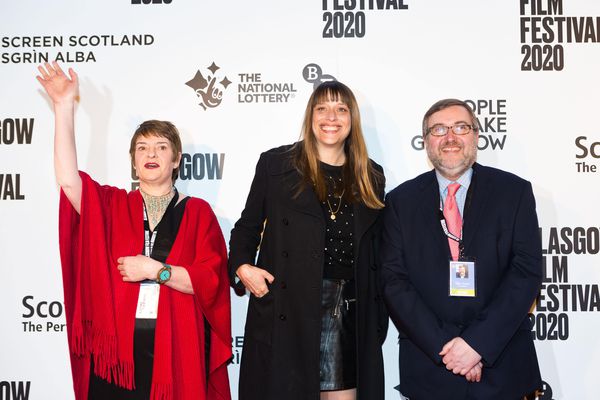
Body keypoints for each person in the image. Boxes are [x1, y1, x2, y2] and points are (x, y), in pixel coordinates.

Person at [36, 61, 232, 400]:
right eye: (142, 148)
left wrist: (157, 271)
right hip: (117, 360)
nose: (150, 153)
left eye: (161, 147)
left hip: (174, 354)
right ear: (134, 160)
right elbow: (69, 180)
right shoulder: (111, 205)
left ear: (175, 160)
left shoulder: (199, 213)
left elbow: (210, 283)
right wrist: (63, 106)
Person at [228, 81, 388, 400]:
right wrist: (243, 266)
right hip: (289, 307)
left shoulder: (371, 175)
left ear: (352, 119)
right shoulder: (277, 165)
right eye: (322, 108)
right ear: (310, 116)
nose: (331, 117)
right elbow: (246, 228)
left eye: (341, 109)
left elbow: (375, 250)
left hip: (347, 312)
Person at [380, 99, 543, 399]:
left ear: (476, 136)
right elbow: (394, 282)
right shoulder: (400, 202)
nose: (450, 137)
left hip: (503, 370)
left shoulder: (514, 192)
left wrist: (477, 345)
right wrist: (450, 350)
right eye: (439, 129)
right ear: (426, 141)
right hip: (430, 371)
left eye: (461, 127)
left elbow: (526, 274)